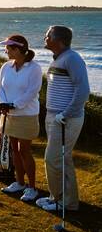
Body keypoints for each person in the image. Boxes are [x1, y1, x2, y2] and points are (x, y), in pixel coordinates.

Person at [36, 25, 90, 213]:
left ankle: (66, 203)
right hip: (55, 116)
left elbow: (83, 91)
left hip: (65, 119)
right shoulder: (60, 58)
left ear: (58, 40)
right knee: (58, 160)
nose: (45, 37)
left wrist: (64, 115)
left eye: (47, 35)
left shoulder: (72, 59)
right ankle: (57, 198)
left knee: (55, 159)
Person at [0, 35, 43, 202]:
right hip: (8, 113)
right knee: (14, 149)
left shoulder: (34, 68)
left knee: (24, 150)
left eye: (8, 48)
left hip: (26, 114)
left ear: (17, 49)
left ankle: (32, 187)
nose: (5, 51)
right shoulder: (6, 67)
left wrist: (14, 105)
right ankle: (19, 182)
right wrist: (3, 103)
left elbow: (32, 92)